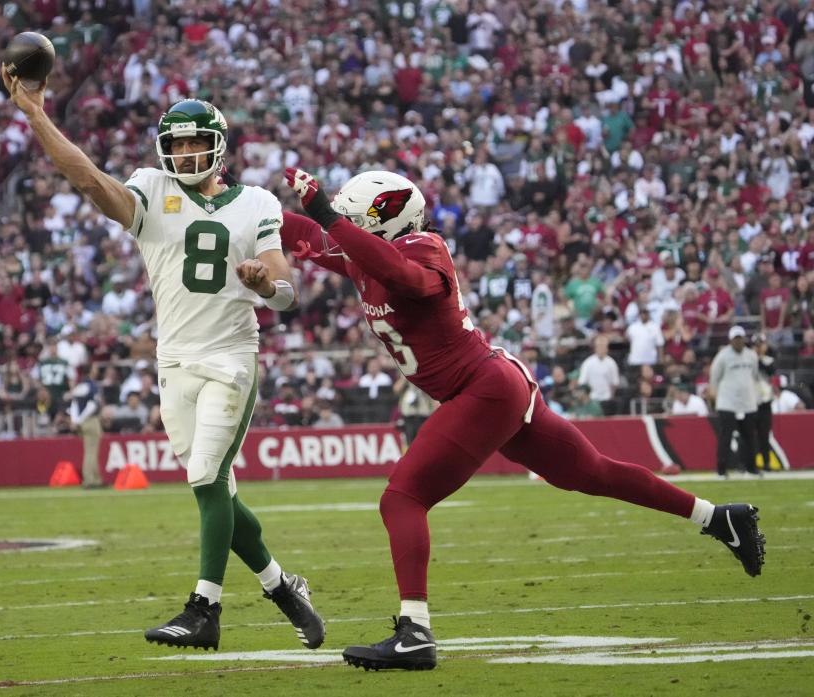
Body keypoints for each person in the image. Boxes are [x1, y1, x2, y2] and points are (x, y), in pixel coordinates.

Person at [281, 167, 765, 671]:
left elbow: (402, 277)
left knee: (403, 496)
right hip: (492, 387)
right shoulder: (361, 251)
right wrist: (238, 206)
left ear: (387, 220)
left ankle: (415, 631)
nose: (344, 227)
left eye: (354, 219)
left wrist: (328, 218)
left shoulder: (424, 247)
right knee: (591, 472)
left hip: (484, 389)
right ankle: (717, 517)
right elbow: (301, 235)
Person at [2, 76, 323, 651]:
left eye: (193, 143)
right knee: (213, 490)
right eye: (173, 145)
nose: (182, 154)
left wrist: (264, 282)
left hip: (229, 356)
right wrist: (36, 114)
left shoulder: (256, 203)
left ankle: (204, 609)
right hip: (173, 362)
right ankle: (281, 588)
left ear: (218, 145)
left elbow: (286, 291)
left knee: (206, 476)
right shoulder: (152, 190)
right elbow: (89, 179)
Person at [709, 326, 760, 478]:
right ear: (730, 340)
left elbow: (755, 376)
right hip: (727, 402)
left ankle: (751, 468)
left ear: (744, 339)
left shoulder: (751, 355)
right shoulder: (722, 356)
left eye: (740, 338)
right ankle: (721, 470)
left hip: (748, 403)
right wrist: (715, 396)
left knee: (750, 437)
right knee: (726, 437)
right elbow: (714, 378)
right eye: (735, 338)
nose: (738, 341)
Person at [68, 369, 103, 488]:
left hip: (81, 422)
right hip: (90, 420)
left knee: (89, 451)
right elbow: (92, 405)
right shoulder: (92, 386)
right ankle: (90, 480)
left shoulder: (78, 387)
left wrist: (75, 421)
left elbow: (74, 405)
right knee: (91, 452)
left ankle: (96, 479)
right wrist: (80, 420)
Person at [752, 334, 776, 471]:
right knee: (750, 435)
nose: (759, 348)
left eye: (761, 345)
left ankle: (766, 462)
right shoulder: (748, 360)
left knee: (764, 434)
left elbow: (770, 371)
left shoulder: (769, 360)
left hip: (765, 401)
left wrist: (758, 357)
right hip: (751, 401)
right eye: (757, 345)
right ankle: (750, 463)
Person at [577, 335, 620, 403]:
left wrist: (611, 397)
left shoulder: (612, 363)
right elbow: (582, 382)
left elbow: (615, 383)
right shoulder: (588, 363)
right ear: (595, 348)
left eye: (603, 346)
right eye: (599, 346)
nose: (601, 348)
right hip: (592, 398)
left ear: (607, 348)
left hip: (607, 398)